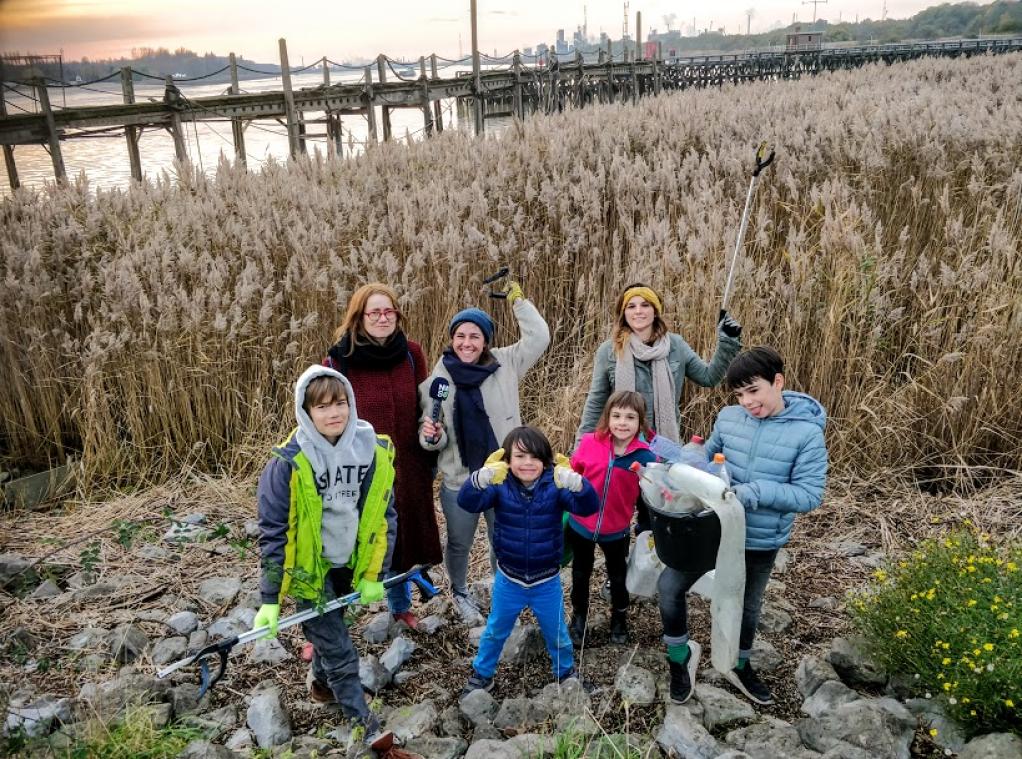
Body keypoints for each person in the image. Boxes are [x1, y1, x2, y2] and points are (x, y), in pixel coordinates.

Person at [658, 346, 828, 706]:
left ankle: (739, 664)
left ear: (777, 382)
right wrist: (684, 464)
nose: (747, 401)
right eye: (739, 394)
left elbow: (810, 494)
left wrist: (753, 493)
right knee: (669, 586)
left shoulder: (807, 434)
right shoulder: (728, 418)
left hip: (760, 536)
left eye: (754, 391)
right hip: (713, 527)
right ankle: (680, 658)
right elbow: (708, 460)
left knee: (747, 605)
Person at [252, 365, 397, 740]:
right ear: (305, 411)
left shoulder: (373, 450)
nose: (334, 413)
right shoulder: (287, 464)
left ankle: (320, 684)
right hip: (309, 572)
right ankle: (363, 724)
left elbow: (383, 515)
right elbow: (274, 534)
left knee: (332, 631)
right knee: (340, 648)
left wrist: (373, 575)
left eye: (341, 403)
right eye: (322, 407)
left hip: (349, 562)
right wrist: (270, 598)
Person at [419, 281, 550, 625]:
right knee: (459, 542)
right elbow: (430, 440)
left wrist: (518, 301)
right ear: (452, 339)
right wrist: (430, 435)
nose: (467, 343)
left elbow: (540, 338)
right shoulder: (437, 380)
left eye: (475, 336)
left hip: (504, 476)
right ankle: (459, 591)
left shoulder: (506, 363)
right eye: (460, 336)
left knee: (501, 538)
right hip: (459, 479)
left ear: (486, 341)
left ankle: (502, 589)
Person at [324, 283, 442, 631]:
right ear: (358, 317)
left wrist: (431, 429)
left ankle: (399, 606)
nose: (382, 318)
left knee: (402, 535)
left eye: (388, 311)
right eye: (374, 312)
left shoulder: (411, 354)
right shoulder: (338, 360)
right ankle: (328, 624)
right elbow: (327, 414)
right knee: (350, 543)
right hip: (359, 469)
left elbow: (425, 407)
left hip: (409, 462)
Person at [457, 427, 600, 696]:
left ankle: (566, 672)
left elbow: (588, 505)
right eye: (520, 456)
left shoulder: (555, 486)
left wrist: (577, 484)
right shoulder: (499, 485)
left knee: (557, 633)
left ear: (546, 461)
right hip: (508, 578)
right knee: (495, 631)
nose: (527, 463)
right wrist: (479, 479)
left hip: (546, 580)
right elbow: (468, 502)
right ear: (507, 460)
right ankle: (482, 675)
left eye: (535, 457)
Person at [566, 391, 655, 647]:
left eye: (630, 417)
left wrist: (646, 527)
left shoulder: (646, 457)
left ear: (640, 422)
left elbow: (647, 497)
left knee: (618, 576)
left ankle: (619, 618)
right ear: (607, 416)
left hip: (616, 530)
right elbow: (574, 475)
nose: (622, 422)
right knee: (580, 573)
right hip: (581, 524)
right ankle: (579, 616)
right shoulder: (590, 442)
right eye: (616, 416)